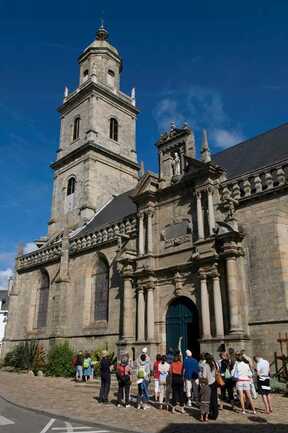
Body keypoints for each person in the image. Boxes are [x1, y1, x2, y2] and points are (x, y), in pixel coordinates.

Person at [199, 353, 218, 422]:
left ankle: (207, 414)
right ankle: (215, 414)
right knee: (214, 399)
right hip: (214, 383)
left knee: (207, 400)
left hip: (208, 384)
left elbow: (204, 376)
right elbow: (214, 374)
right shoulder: (213, 365)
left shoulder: (205, 366)